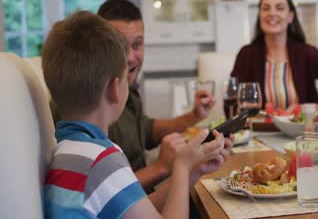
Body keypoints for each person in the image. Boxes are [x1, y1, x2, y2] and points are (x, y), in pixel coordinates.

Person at [43, 11, 226, 218]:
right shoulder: (103, 160)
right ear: (114, 88)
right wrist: (182, 168)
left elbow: (138, 207)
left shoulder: (67, 150)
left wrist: (194, 172)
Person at [95, 0, 232, 192]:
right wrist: (161, 168)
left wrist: (194, 116)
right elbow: (103, 191)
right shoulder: (89, 102)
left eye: (137, 45)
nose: (130, 57)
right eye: (120, 47)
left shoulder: (129, 93)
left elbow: (148, 130)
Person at [230, 0, 318, 109]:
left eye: (279, 8)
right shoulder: (246, 55)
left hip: (303, 127)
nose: (272, 13)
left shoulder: (307, 53)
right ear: (259, 16)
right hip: (259, 127)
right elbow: (232, 102)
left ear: (291, 16)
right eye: (265, 8)